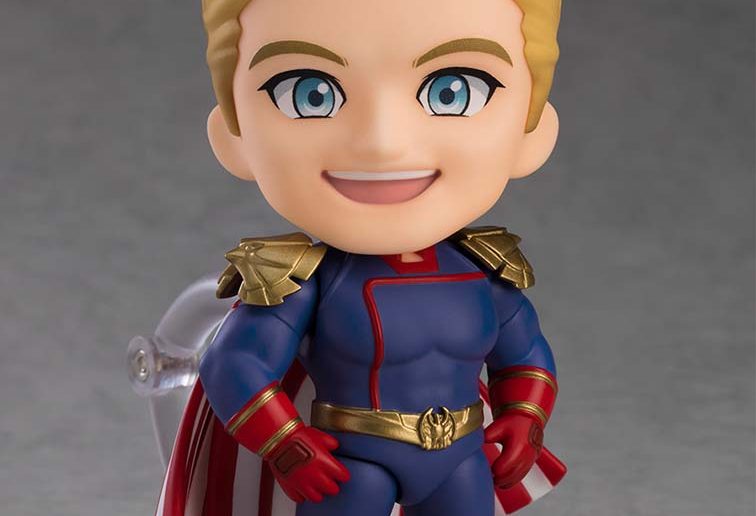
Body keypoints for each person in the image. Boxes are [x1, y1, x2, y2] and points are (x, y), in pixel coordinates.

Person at [159, 1, 565, 515]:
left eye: (453, 91)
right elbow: (236, 364)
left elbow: (526, 354)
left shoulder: (483, 272)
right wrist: (287, 445)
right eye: (309, 94)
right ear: (232, 137)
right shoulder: (302, 279)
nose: (382, 144)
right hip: (354, 460)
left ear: (533, 131)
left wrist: (526, 415)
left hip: (460, 457)